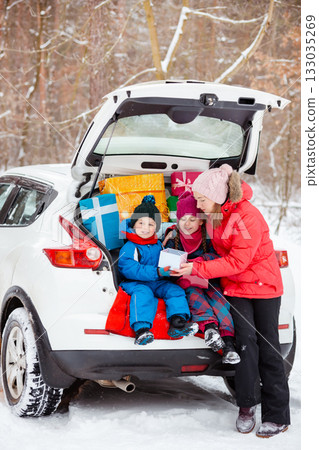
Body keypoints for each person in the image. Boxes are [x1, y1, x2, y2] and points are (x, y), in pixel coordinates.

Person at [171, 164, 290, 438]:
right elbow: (212, 248)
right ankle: (246, 406)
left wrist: (196, 269)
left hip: (264, 288)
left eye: (201, 198)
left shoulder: (247, 217)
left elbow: (238, 260)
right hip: (235, 287)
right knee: (246, 346)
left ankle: (277, 415)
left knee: (269, 350)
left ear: (217, 195)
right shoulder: (215, 214)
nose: (198, 203)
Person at [164, 192, 240, 364]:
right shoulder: (173, 237)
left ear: (201, 220)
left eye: (192, 219)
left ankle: (228, 344)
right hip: (187, 282)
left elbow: (219, 258)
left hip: (209, 279)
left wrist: (198, 262)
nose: (187, 223)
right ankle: (210, 329)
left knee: (220, 302)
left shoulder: (209, 236)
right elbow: (166, 261)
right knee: (195, 297)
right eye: (183, 219)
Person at [118, 195, 198, 346]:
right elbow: (129, 269)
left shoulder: (158, 244)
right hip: (134, 282)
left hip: (158, 282)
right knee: (143, 293)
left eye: (151, 224)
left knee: (174, 290)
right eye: (141, 223)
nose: (145, 228)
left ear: (156, 227)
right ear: (134, 225)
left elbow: (163, 263)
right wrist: (158, 272)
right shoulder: (129, 246)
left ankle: (177, 323)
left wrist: (173, 269)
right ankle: (141, 330)